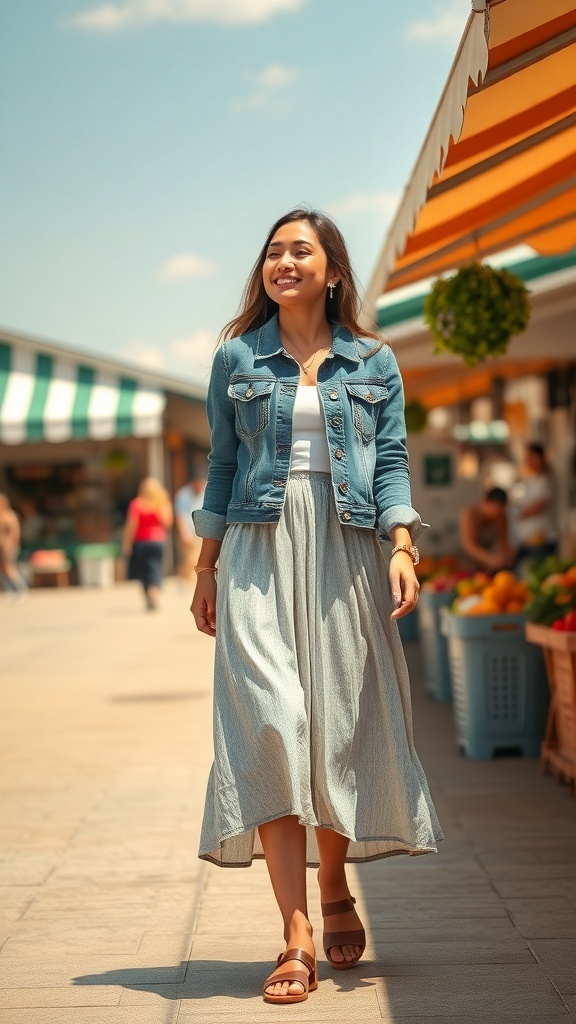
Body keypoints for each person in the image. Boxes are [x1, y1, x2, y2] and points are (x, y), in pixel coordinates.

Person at [190, 208, 443, 1005]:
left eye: (300, 250)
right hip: (259, 551)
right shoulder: (238, 355)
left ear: (332, 270)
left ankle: (335, 882)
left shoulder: (374, 359)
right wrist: (206, 563)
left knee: (336, 724)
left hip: (348, 548)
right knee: (271, 722)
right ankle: (295, 933)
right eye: (273, 251)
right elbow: (223, 465)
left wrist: (402, 543)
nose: (282, 262)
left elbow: (393, 459)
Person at [122, 477, 173, 611]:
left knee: (143, 569)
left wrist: (127, 543)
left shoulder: (137, 504)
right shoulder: (161, 503)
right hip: (158, 541)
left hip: (141, 542)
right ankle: (154, 591)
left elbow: (131, 526)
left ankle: (149, 593)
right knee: (155, 567)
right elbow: (167, 522)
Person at [515, 442, 557, 564]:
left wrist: (521, 514)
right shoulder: (534, 478)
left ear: (537, 457)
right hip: (532, 538)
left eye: (527, 457)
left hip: (542, 537)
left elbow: (541, 504)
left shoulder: (546, 479)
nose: (525, 460)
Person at [460, 486, 516, 573]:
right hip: (468, 563)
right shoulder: (470, 514)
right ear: (485, 502)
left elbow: (504, 542)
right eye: (495, 510)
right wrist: (491, 559)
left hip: (489, 565)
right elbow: (469, 546)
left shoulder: (501, 516)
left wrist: (508, 556)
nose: (496, 515)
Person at [173, 476, 206, 582]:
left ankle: (188, 580)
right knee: (190, 559)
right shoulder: (183, 495)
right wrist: (183, 531)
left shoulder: (203, 493)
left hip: (200, 532)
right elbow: (180, 515)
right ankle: (184, 578)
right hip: (188, 531)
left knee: (197, 558)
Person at [0, 493, 27, 595]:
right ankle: (8, 589)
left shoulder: (9, 516)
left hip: (8, 547)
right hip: (2, 547)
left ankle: (20, 588)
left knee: (9, 567)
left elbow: (14, 533)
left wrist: (10, 545)